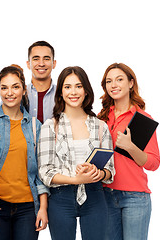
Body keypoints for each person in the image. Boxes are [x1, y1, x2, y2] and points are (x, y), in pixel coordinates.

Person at [38, 66, 115, 240]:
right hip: (61, 198)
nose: (73, 92)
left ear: (86, 91)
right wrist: (75, 179)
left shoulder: (100, 126)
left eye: (79, 86)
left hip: (95, 195)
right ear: (61, 93)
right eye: (67, 87)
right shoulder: (50, 126)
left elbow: (110, 170)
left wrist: (99, 173)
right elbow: (45, 171)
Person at [0, 64, 49, 240]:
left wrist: (43, 208)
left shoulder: (35, 126)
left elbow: (41, 171)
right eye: (4, 87)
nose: (10, 92)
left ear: (24, 90)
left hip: (27, 208)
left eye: (15, 87)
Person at [97, 63, 160, 240]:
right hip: (105, 194)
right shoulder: (101, 118)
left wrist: (130, 146)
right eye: (109, 81)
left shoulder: (142, 119)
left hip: (135, 197)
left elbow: (154, 163)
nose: (113, 85)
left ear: (131, 83)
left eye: (119, 79)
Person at [26, 41, 57, 123]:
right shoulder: (18, 93)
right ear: (28, 64)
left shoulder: (63, 93)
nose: (41, 64)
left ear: (54, 63)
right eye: (36, 59)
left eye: (46, 59)